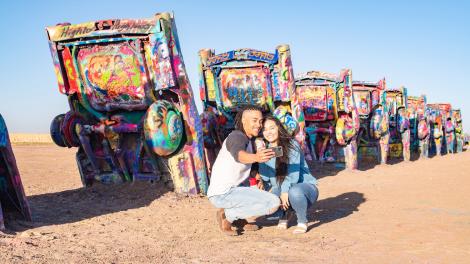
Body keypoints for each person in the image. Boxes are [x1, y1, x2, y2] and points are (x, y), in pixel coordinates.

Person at [207, 105, 280, 236]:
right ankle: (228, 215)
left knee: (265, 192)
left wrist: (258, 176)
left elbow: (247, 168)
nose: (258, 124)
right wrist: (257, 157)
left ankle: (238, 219)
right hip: (223, 194)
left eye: (260, 121)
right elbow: (239, 156)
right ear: (243, 121)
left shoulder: (249, 141)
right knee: (273, 203)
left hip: (231, 191)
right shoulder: (237, 136)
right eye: (254, 120)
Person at [258, 115, 318, 234]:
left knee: (294, 191)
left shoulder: (291, 145)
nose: (268, 132)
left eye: (272, 128)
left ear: (279, 128)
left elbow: (292, 175)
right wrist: (261, 158)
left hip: (304, 189)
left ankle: (302, 220)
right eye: (264, 129)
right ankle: (285, 214)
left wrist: (284, 191)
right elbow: (266, 177)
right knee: (269, 205)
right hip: (282, 188)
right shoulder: (268, 149)